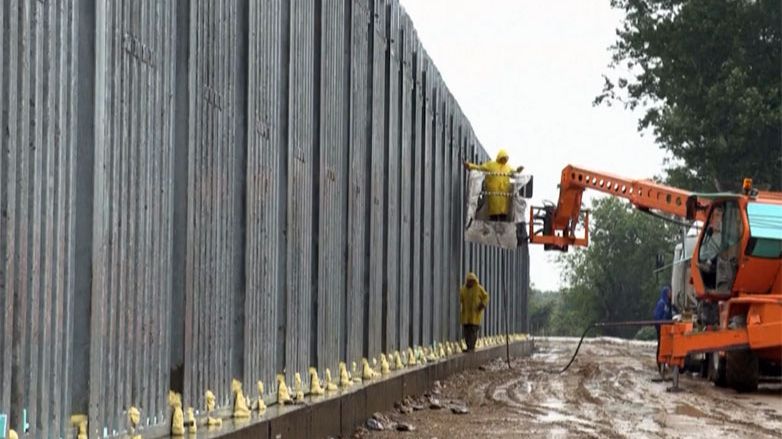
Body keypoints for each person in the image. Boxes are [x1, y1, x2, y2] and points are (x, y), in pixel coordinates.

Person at [464, 149, 523, 221]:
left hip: (504, 195)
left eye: (505, 158)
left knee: (503, 215)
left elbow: (514, 173)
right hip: (494, 193)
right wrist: (470, 166)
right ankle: (494, 223)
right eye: (503, 158)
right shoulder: (491, 165)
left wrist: (518, 170)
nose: (504, 160)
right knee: (494, 215)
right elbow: (480, 167)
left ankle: (501, 224)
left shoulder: (508, 167)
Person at [460, 272, 489, 352]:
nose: (470, 283)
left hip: (475, 316)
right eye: (469, 281)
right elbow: (460, 298)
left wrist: (483, 304)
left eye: (472, 281)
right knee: (466, 333)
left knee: (473, 332)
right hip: (466, 316)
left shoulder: (478, 289)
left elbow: (486, 297)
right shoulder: (463, 290)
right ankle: (469, 346)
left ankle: (471, 347)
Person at [653, 286, 675, 371]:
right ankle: (660, 364)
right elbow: (656, 316)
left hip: (667, 328)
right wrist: (661, 324)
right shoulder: (661, 303)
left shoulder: (668, 304)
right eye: (669, 292)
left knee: (666, 346)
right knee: (661, 345)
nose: (671, 294)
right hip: (661, 328)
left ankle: (665, 364)